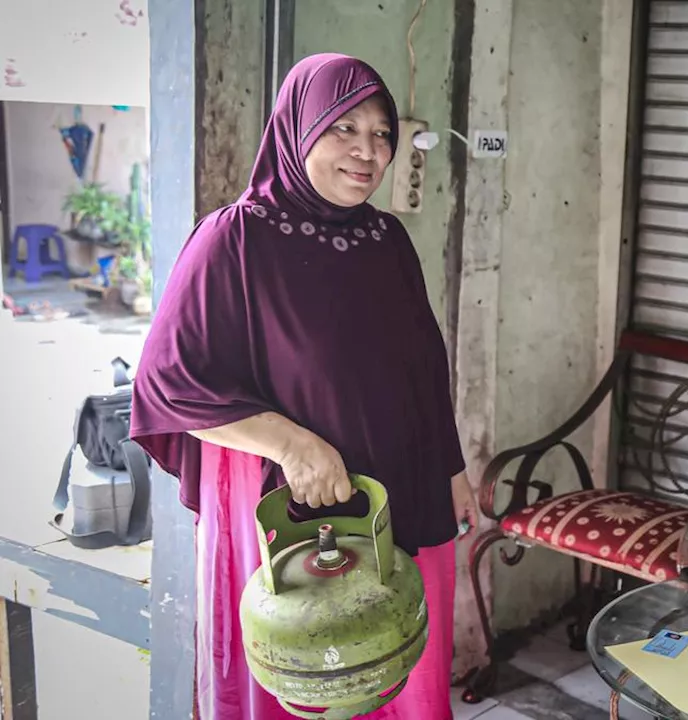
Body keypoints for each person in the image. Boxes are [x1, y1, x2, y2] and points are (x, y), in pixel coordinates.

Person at [129, 54, 478, 720]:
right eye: (344, 127)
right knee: (312, 677)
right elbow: (168, 384)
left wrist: (451, 468)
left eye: (381, 133)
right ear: (298, 128)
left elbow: (425, 369)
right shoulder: (234, 240)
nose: (367, 151)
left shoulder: (387, 239)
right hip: (293, 515)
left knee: (395, 668)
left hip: (402, 494)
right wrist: (293, 445)